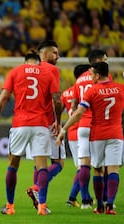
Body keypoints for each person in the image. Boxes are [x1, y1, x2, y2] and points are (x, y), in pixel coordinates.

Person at [0, 52, 62, 215]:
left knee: (13, 165)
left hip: (20, 123)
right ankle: (42, 206)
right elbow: (57, 99)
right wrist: (58, 121)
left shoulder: (15, 71)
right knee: (42, 165)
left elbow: (3, 98)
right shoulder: (47, 73)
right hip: (41, 124)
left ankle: (10, 206)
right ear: (38, 62)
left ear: (25, 62)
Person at [56, 62, 124, 215]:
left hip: (97, 134)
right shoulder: (121, 88)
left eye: (92, 74)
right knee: (113, 170)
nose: (90, 76)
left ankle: (99, 206)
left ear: (98, 75)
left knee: (98, 170)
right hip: (116, 134)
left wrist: (64, 129)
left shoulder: (92, 91)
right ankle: (110, 206)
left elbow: (79, 112)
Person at [26, 40, 65, 210]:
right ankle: (36, 188)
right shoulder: (52, 70)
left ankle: (42, 204)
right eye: (54, 53)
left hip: (29, 122)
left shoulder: (27, 70)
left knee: (39, 164)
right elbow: (56, 99)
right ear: (44, 53)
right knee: (59, 163)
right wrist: (58, 121)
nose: (58, 56)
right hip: (49, 122)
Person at [70, 49, 109, 209]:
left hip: (81, 126)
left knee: (84, 164)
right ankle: (105, 199)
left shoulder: (79, 79)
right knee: (103, 165)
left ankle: (85, 200)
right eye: (105, 59)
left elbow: (73, 104)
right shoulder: (102, 75)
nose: (106, 61)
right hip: (98, 125)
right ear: (98, 60)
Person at [63, 64, 91, 207]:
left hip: (71, 132)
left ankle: (80, 197)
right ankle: (75, 196)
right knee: (86, 167)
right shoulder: (87, 88)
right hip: (84, 127)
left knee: (81, 167)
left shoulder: (67, 92)